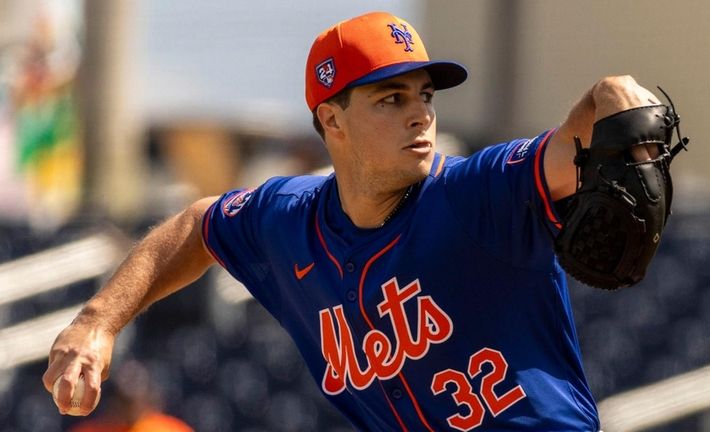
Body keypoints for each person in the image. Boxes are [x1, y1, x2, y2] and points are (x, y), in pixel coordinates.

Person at [44, 11, 676, 431]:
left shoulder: (480, 190)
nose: (420, 115)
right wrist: (98, 322)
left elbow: (608, 100)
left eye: (425, 95)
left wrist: (632, 124)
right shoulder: (287, 220)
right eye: (390, 98)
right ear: (332, 120)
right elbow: (197, 224)